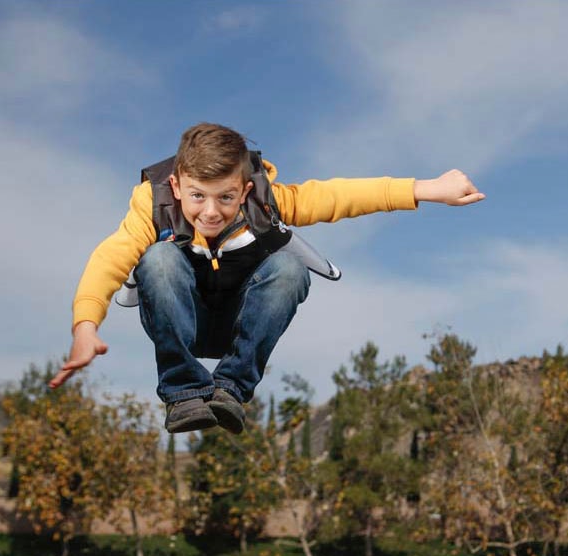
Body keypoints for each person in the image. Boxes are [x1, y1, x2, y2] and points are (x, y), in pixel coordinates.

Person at [50, 123, 484, 433]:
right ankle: (183, 395)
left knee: (289, 268)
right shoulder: (153, 207)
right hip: (180, 319)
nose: (211, 212)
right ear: (178, 186)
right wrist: (85, 327)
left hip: (241, 325)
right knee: (159, 259)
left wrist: (426, 188)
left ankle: (230, 390)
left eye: (226, 198)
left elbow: (339, 196)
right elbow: (110, 258)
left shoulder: (267, 203)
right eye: (197, 196)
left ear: (246, 190)